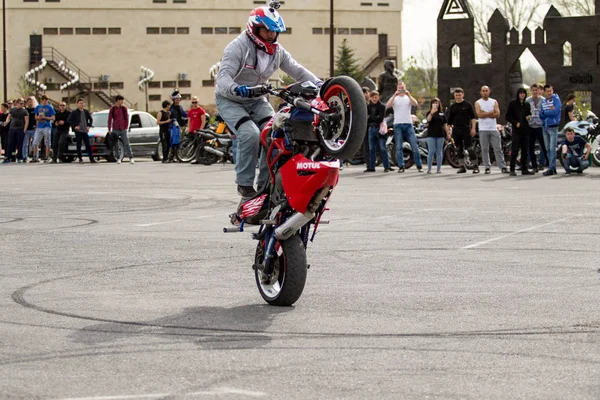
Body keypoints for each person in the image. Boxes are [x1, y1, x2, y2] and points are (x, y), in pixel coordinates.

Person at [215, 4, 319, 199]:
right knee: (250, 134)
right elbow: (222, 80)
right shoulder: (237, 47)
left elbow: (297, 71)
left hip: (257, 99)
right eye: (266, 30)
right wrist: (237, 89)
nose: (271, 35)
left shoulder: (278, 51)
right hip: (230, 100)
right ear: (254, 28)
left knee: (274, 135)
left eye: (274, 31)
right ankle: (244, 184)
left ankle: (265, 183)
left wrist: (321, 84)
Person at [386, 82, 422, 173]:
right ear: (397, 89)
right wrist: (394, 95)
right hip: (398, 125)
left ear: (405, 88)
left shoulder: (408, 98)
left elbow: (416, 104)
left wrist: (409, 95)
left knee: (414, 146)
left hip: (408, 124)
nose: (401, 89)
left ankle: (419, 165)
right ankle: (401, 166)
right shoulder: (395, 98)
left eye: (402, 88)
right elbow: (387, 105)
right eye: (399, 88)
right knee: (398, 146)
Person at [475, 86, 507, 174]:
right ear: (481, 92)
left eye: (486, 91)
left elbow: (497, 114)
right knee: (484, 149)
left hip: (493, 128)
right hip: (483, 129)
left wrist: (484, 112)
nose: (485, 92)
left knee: (498, 148)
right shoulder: (478, 103)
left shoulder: (494, 101)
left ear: (489, 91)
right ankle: (487, 167)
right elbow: (479, 115)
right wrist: (491, 112)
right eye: (483, 91)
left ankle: (502, 166)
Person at [447, 88, 478, 174]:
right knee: (458, 149)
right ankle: (462, 167)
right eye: (456, 95)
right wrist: (448, 132)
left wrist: (473, 128)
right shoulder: (452, 107)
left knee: (469, 148)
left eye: (459, 95)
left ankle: (475, 166)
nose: (458, 97)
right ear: (454, 96)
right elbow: (449, 121)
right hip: (456, 130)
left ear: (463, 95)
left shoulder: (467, 105)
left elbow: (473, 118)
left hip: (466, 129)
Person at [505, 88, 533, 176]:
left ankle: (524, 168)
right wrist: (515, 122)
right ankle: (512, 169)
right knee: (515, 149)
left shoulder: (527, 104)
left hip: (525, 129)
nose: (522, 95)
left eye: (524, 93)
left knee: (525, 149)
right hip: (516, 130)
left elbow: (529, 114)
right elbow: (508, 116)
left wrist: (529, 117)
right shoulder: (513, 104)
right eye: (521, 93)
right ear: (518, 94)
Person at [364, 91, 392, 173]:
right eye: (373, 97)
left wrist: (371, 117)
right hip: (371, 129)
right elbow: (367, 119)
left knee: (383, 148)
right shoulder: (368, 107)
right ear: (371, 98)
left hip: (380, 129)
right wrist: (374, 117)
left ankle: (386, 166)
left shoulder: (382, 106)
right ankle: (371, 167)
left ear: (378, 97)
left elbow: (380, 118)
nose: (374, 99)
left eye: (376, 97)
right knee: (371, 148)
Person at [539, 84, 562, 176]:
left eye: (550, 91)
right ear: (544, 92)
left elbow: (555, 112)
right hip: (545, 126)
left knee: (552, 148)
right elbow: (541, 114)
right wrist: (548, 110)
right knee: (547, 148)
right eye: (547, 91)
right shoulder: (543, 101)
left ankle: (551, 168)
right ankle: (552, 167)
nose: (549, 93)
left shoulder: (556, 100)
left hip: (553, 126)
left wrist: (546, 111)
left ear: (552, 91)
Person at [525, 83, 548, 173]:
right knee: (531, 147)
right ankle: (534, 165)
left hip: (540, 126)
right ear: (531, 91)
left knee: (544, 146)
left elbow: (546, 112)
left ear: (539, 90)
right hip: (530, 126)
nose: (535, 92)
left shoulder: (543, 100)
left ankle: (548, 164)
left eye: (536, 90)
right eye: (533, 90)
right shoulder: (527, 101)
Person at [67, 98, 96, 164]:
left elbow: (90, 119)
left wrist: (89, 126)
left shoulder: (86, 112)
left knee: (88, 145)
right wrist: (75, 126)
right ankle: (80, 159)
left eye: (82, 103)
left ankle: (91, 158)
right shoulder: (74, 112)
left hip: (85, 131)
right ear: (77, 104)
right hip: (78, 131)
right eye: (80, 103)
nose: (81, 104)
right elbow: (69, 120)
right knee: (79, 145)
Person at [425, 98, 449, 174]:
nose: (436, 104)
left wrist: (448, 133)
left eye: (437, 103)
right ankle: (429, 168)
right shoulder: (429, 112)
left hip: (440, 134)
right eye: (434, 103)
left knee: (439, 151)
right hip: (431, 134)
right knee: (431, 151)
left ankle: (439, 169)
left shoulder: (442, 113)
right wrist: (432, 113)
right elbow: (428, 120)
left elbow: (445, 124)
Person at [107, 95, 133, 164]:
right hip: (115, 129)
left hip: (123, 129)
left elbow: (126, 118)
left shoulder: (124, 108)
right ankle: (118, 158)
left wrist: (126, 127)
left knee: (126, 143)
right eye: (121, 100)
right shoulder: (112, 109)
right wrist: (109, 129)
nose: (122, 102)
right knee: (116, 144)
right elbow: (110, 119)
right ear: (118, 100)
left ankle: (131, 157)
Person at [2, 98, 28, 163]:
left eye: (23, 103)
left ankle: (19, 157)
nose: (22, 105)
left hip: (20, 129)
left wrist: (24, 129)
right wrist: (6, 122)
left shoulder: (24, 111)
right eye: (21, 103)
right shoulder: (13, 110)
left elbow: (26, 121)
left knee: (19, 144)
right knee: (10, 143)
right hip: (12, 129)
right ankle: (9, 157)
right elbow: (9, 116)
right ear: (17, 103)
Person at [32, 95, 56, 163]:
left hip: (47, 126)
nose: (45, 101)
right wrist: (39, 118)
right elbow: (35, 117)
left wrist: (45, 117)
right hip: (39, 126)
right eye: (44, 100)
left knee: (47, 142)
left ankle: (47, 156)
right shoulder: (38, 107)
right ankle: (35, 156)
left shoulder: (49, 107)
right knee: (35, 142)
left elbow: (53, 118)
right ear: (42, 100)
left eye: (46, 100)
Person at [188, 96, 207, 164]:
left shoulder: (201, 110)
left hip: (198, 131)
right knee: (194, 145)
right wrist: (189, 129)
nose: (194, 104)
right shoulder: (190, 111)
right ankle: (196, 158)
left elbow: (203, 121)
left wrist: (201, 130)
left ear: (198, 102)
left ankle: (200, 158)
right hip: (192, 130)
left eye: (195, 102)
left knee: (199, 145)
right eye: (193, 102)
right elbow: (189, 121)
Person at [22, 96, 37, 162]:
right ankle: (25, 156)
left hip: (33, 129)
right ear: (27, 103)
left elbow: (37, 120)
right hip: (27, 129)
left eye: (31, 102)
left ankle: (35, 156)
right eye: (29, 102)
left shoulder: (35, 110)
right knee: (25, 143)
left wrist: (36, 127)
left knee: (35, 143)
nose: (30, 103)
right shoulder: (25, 110)